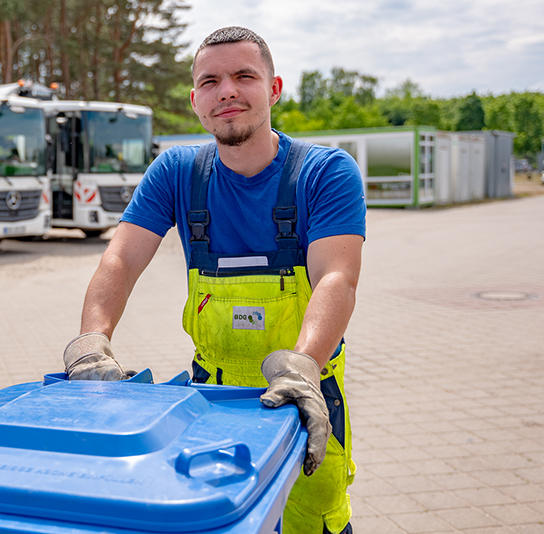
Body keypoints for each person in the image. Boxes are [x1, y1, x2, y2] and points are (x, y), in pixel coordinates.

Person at [62, 27, 365, 534]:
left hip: (304, 401)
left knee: (315, 523)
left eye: (244, 76)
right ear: (195, 100)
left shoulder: (325, 172)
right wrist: (93, 340)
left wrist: (304, 366)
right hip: (209, 406)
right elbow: (120, 261)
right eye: (210, 80)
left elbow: (337, 277)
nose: (226, 90)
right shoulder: (178, 172)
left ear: (273, 89)